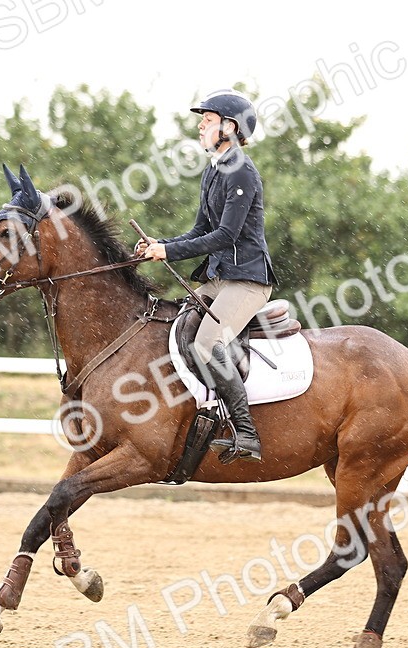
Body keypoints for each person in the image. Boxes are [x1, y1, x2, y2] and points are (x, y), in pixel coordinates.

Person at [137, 89, 276, 462]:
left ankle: (246, 432)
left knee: (205, 344)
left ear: (230, 127)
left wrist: (168, 251)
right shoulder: (213, 170)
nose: (200, 126)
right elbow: (200, 231)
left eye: (208, 120)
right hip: (218, 277)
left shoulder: (241, 170)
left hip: (247, 281)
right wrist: (159, 244)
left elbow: (226, 235)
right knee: (175, 328)